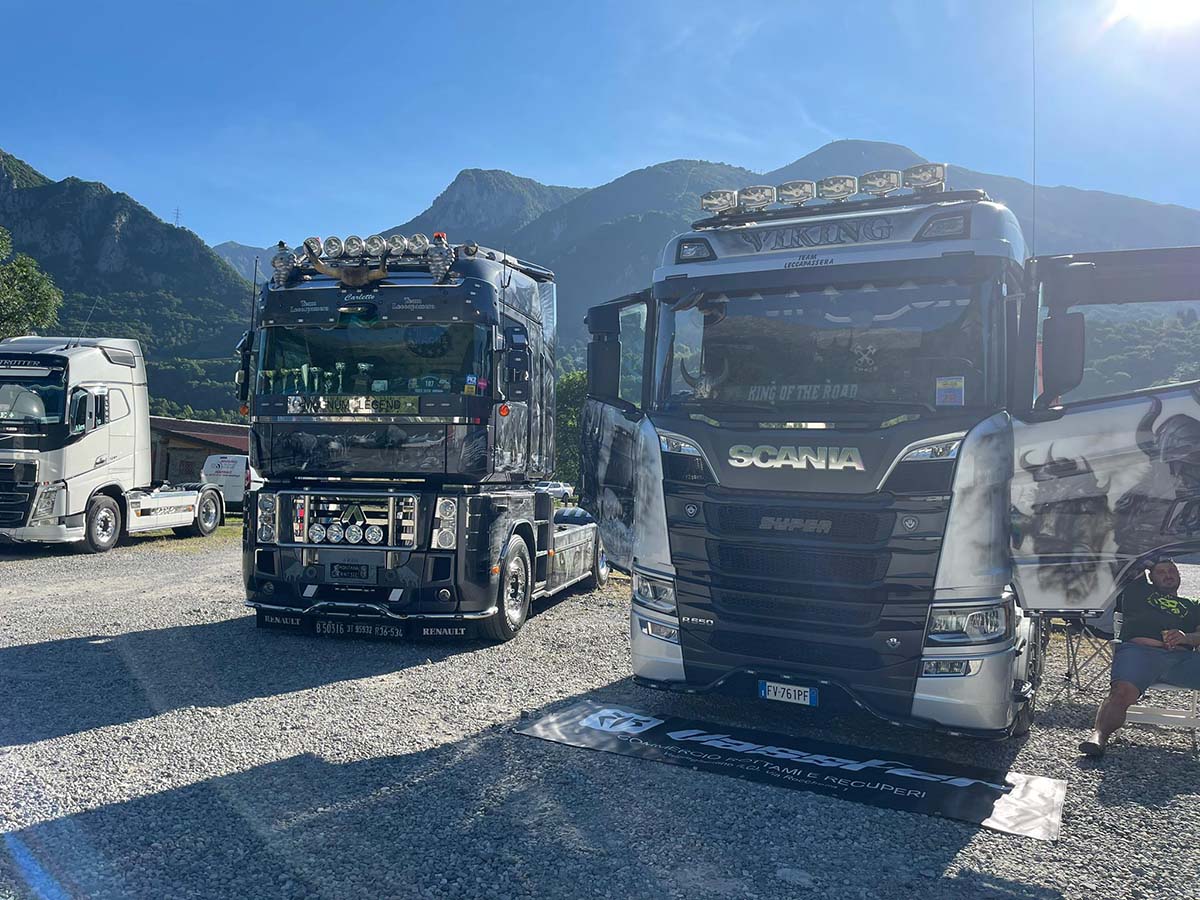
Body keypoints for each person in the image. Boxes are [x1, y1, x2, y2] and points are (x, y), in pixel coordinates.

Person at [1079, 558, 1200, 757]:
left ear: (1179, 575)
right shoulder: (1138, 591)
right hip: (1140, 654)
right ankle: (1099, 737)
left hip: (1181, 658)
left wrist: (1186, 637)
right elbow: (1130, 559)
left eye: (1172, 571)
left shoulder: (1193, 605)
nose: (1168, 575)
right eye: (1161, 572)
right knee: (1121, 693)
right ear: (1150, 576)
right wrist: (1152, 557)